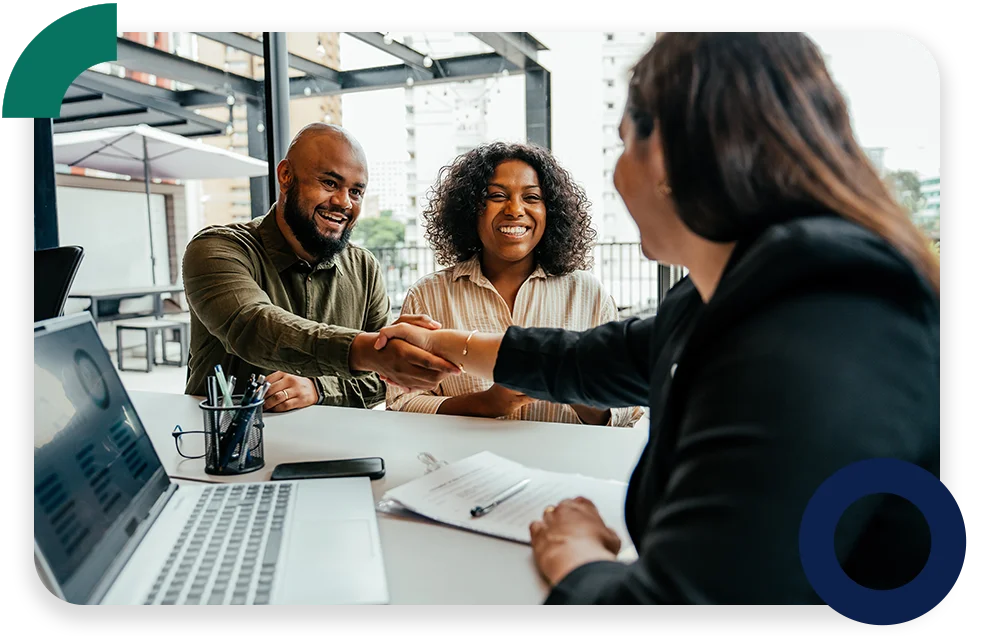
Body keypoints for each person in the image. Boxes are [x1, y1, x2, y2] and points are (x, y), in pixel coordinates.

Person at [371, 32, 940, 604]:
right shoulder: (724, 293)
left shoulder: (822, 324)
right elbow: (592, 358)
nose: (618, 175)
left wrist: (576, 557)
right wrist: (447, 342)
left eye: (623, 144)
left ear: (668, 154)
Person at [182, 123, 459, 412]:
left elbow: (385, 380)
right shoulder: (217, 249)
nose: (343, 202)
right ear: (286, 175)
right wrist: (367, 352)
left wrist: (320, 388)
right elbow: (253, 327)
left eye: (356, 192)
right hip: (232, 445)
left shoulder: (364, 267)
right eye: (329, 183)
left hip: (335, 449)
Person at [386, 142, 642, 426]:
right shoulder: (428, 295)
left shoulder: (588, 294)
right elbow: (401, 403)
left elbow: (625, 411)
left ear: (551, 211)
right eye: (496, 195)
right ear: (470, 208)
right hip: (459, 464)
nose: (515, 209)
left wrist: (566, 379)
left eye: (532, 197)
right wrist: (484, 404)